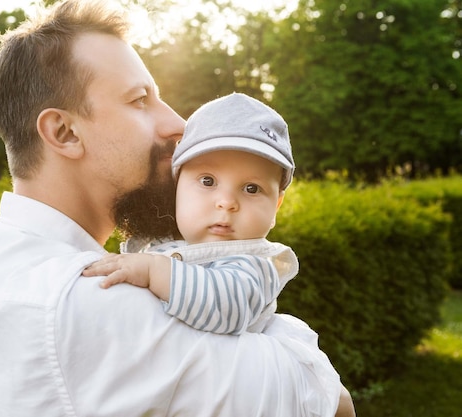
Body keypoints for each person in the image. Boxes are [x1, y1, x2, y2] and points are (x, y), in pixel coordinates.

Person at [0, 1, 355, 416]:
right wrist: (290, 336)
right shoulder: (94, 303)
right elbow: (333, 403)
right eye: (140, 100)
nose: (178, 124)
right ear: (63, 132)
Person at [83, 93, 356, 416]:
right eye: (208, 181)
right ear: (177, 185)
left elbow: (225, 305)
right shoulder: (157, 245)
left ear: (277, 205)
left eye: (251, 188)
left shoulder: (257, 264)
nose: (227, 202)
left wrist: (153, 271)